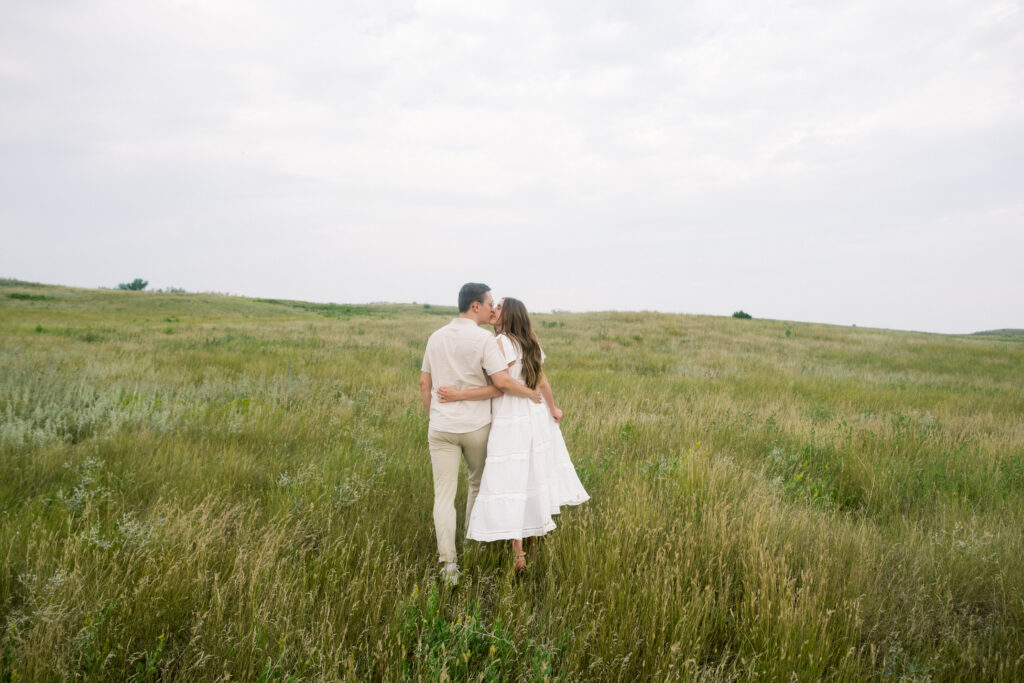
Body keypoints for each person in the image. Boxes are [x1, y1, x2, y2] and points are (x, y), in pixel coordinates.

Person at [437, 297, 589, 572]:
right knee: (532, 474)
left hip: (511, 416)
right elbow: (543, 381)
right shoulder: (531, 343)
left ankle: (518, 552)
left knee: (511, 478)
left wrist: (459, 394)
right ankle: (530, 539)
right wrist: (553, 409)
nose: (493, 310)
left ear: (509, 316)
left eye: (499, 307)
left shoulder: (501, 342)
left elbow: (503, 383)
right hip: (536, 414)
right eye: (493, 306)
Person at [420, 283, 541, 586]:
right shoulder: (485, 340)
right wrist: (530, 394)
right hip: (476, 428)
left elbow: (425, 384)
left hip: (441, 427)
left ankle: (449, 564)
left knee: (443, 497)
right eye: (488, 303)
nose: (491, 308)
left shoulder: (435, 338)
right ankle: (472, 543)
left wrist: (434, 416)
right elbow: (501, 383)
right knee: (477, 485)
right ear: (475, 306)